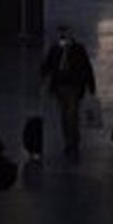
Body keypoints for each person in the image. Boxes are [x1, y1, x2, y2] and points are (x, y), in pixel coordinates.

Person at [40, 27, 97, 157]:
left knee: (71, 115)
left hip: (74, 86)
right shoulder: (55, 49)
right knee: (64, 116)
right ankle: (68, 141)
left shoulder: (78, 49)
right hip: (60, 87)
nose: (63, 38)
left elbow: (86, 67)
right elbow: (47, 65)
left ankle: (73, 142)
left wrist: (91, 86)